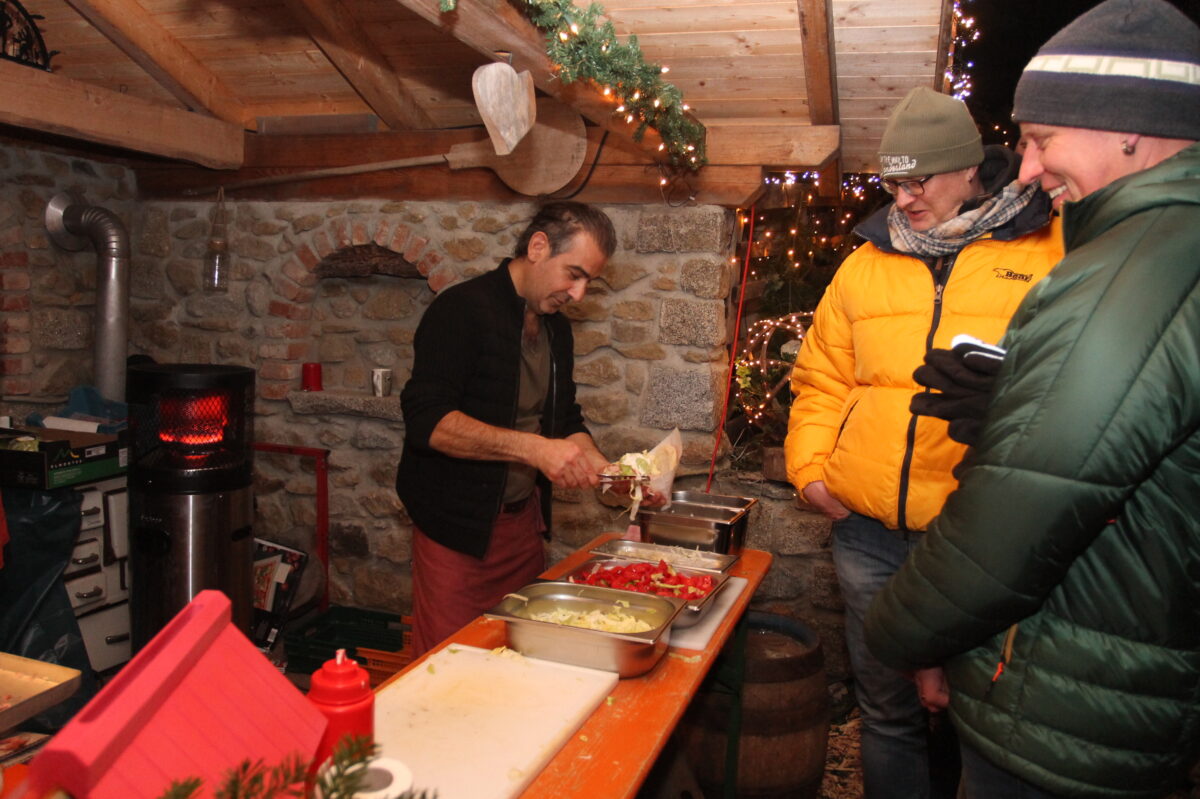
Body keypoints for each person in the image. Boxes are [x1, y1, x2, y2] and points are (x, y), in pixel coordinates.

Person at [864, 1, 1200, 797]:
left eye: (1042, 138)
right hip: (1115, 687)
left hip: (1067, 705)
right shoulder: (1161, 252)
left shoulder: (1126, 272)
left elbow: (1015, 521)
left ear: (1129, 125)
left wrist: (899, 634)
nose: (1026, 170)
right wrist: (1021, 407)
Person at [784, 86, 1062, 798]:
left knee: (984, 724)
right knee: (887, 714)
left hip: (983, 542)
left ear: (970, 167)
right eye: (893, 183)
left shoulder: (1048, 249)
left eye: (920, 181)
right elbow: (820, 378)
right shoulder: (864, 263)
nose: (903, 199)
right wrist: (811, 470)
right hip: (868, 536)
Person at [397, 201, 615, 656]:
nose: (578, 294)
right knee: (450, 667)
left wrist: (607, 468)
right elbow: (429, 422)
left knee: (520, 660)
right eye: (573, 274)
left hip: (521, 530)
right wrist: (534, 450)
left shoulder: (557, 330)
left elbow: (565, 418)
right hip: (455, 532)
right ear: (538, 247)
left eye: (588, 282)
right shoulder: (461, 310)